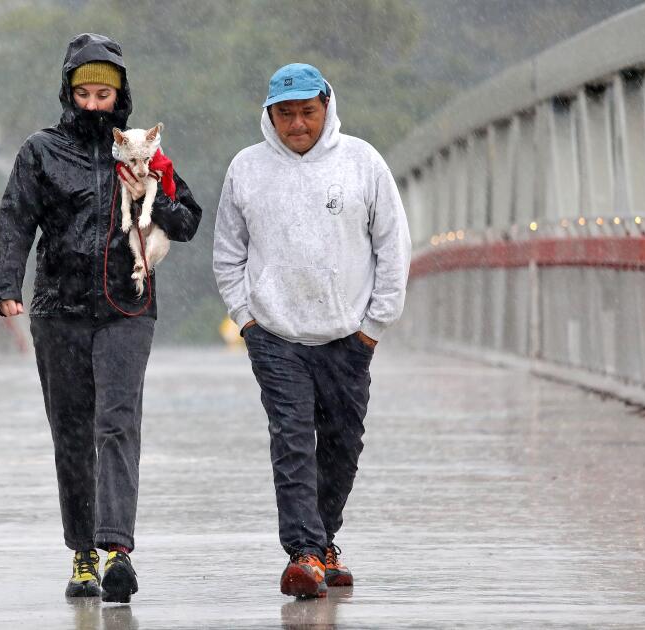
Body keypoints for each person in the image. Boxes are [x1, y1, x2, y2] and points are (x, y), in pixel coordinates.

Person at [0, 33, 203, 603]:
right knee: (71, 432)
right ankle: (82, 552)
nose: (92, 103)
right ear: (68, 92)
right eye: (82, 92)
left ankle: (118, 552)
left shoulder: (142, 151)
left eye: (102, 94)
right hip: (57, 309)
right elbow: (16, 219)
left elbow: (186, 222)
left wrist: (153, 188)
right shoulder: (40, 151)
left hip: (125, 309)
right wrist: (8, 284)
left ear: (119, 96)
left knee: (116, 423)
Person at [212, 63, 411, 599]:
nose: (297, 125)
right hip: (275, 335)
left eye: (307, 112)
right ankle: (302, 553)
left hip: (349, 335)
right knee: (292, 441)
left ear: (327, 107)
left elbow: (392, 247)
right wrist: (246, 319)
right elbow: (228, 253)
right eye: (285, 114)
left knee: (343, 445)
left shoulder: (362, 162)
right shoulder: (246, 169)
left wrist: (374, 325)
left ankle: (324, 543)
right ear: (268, 115)